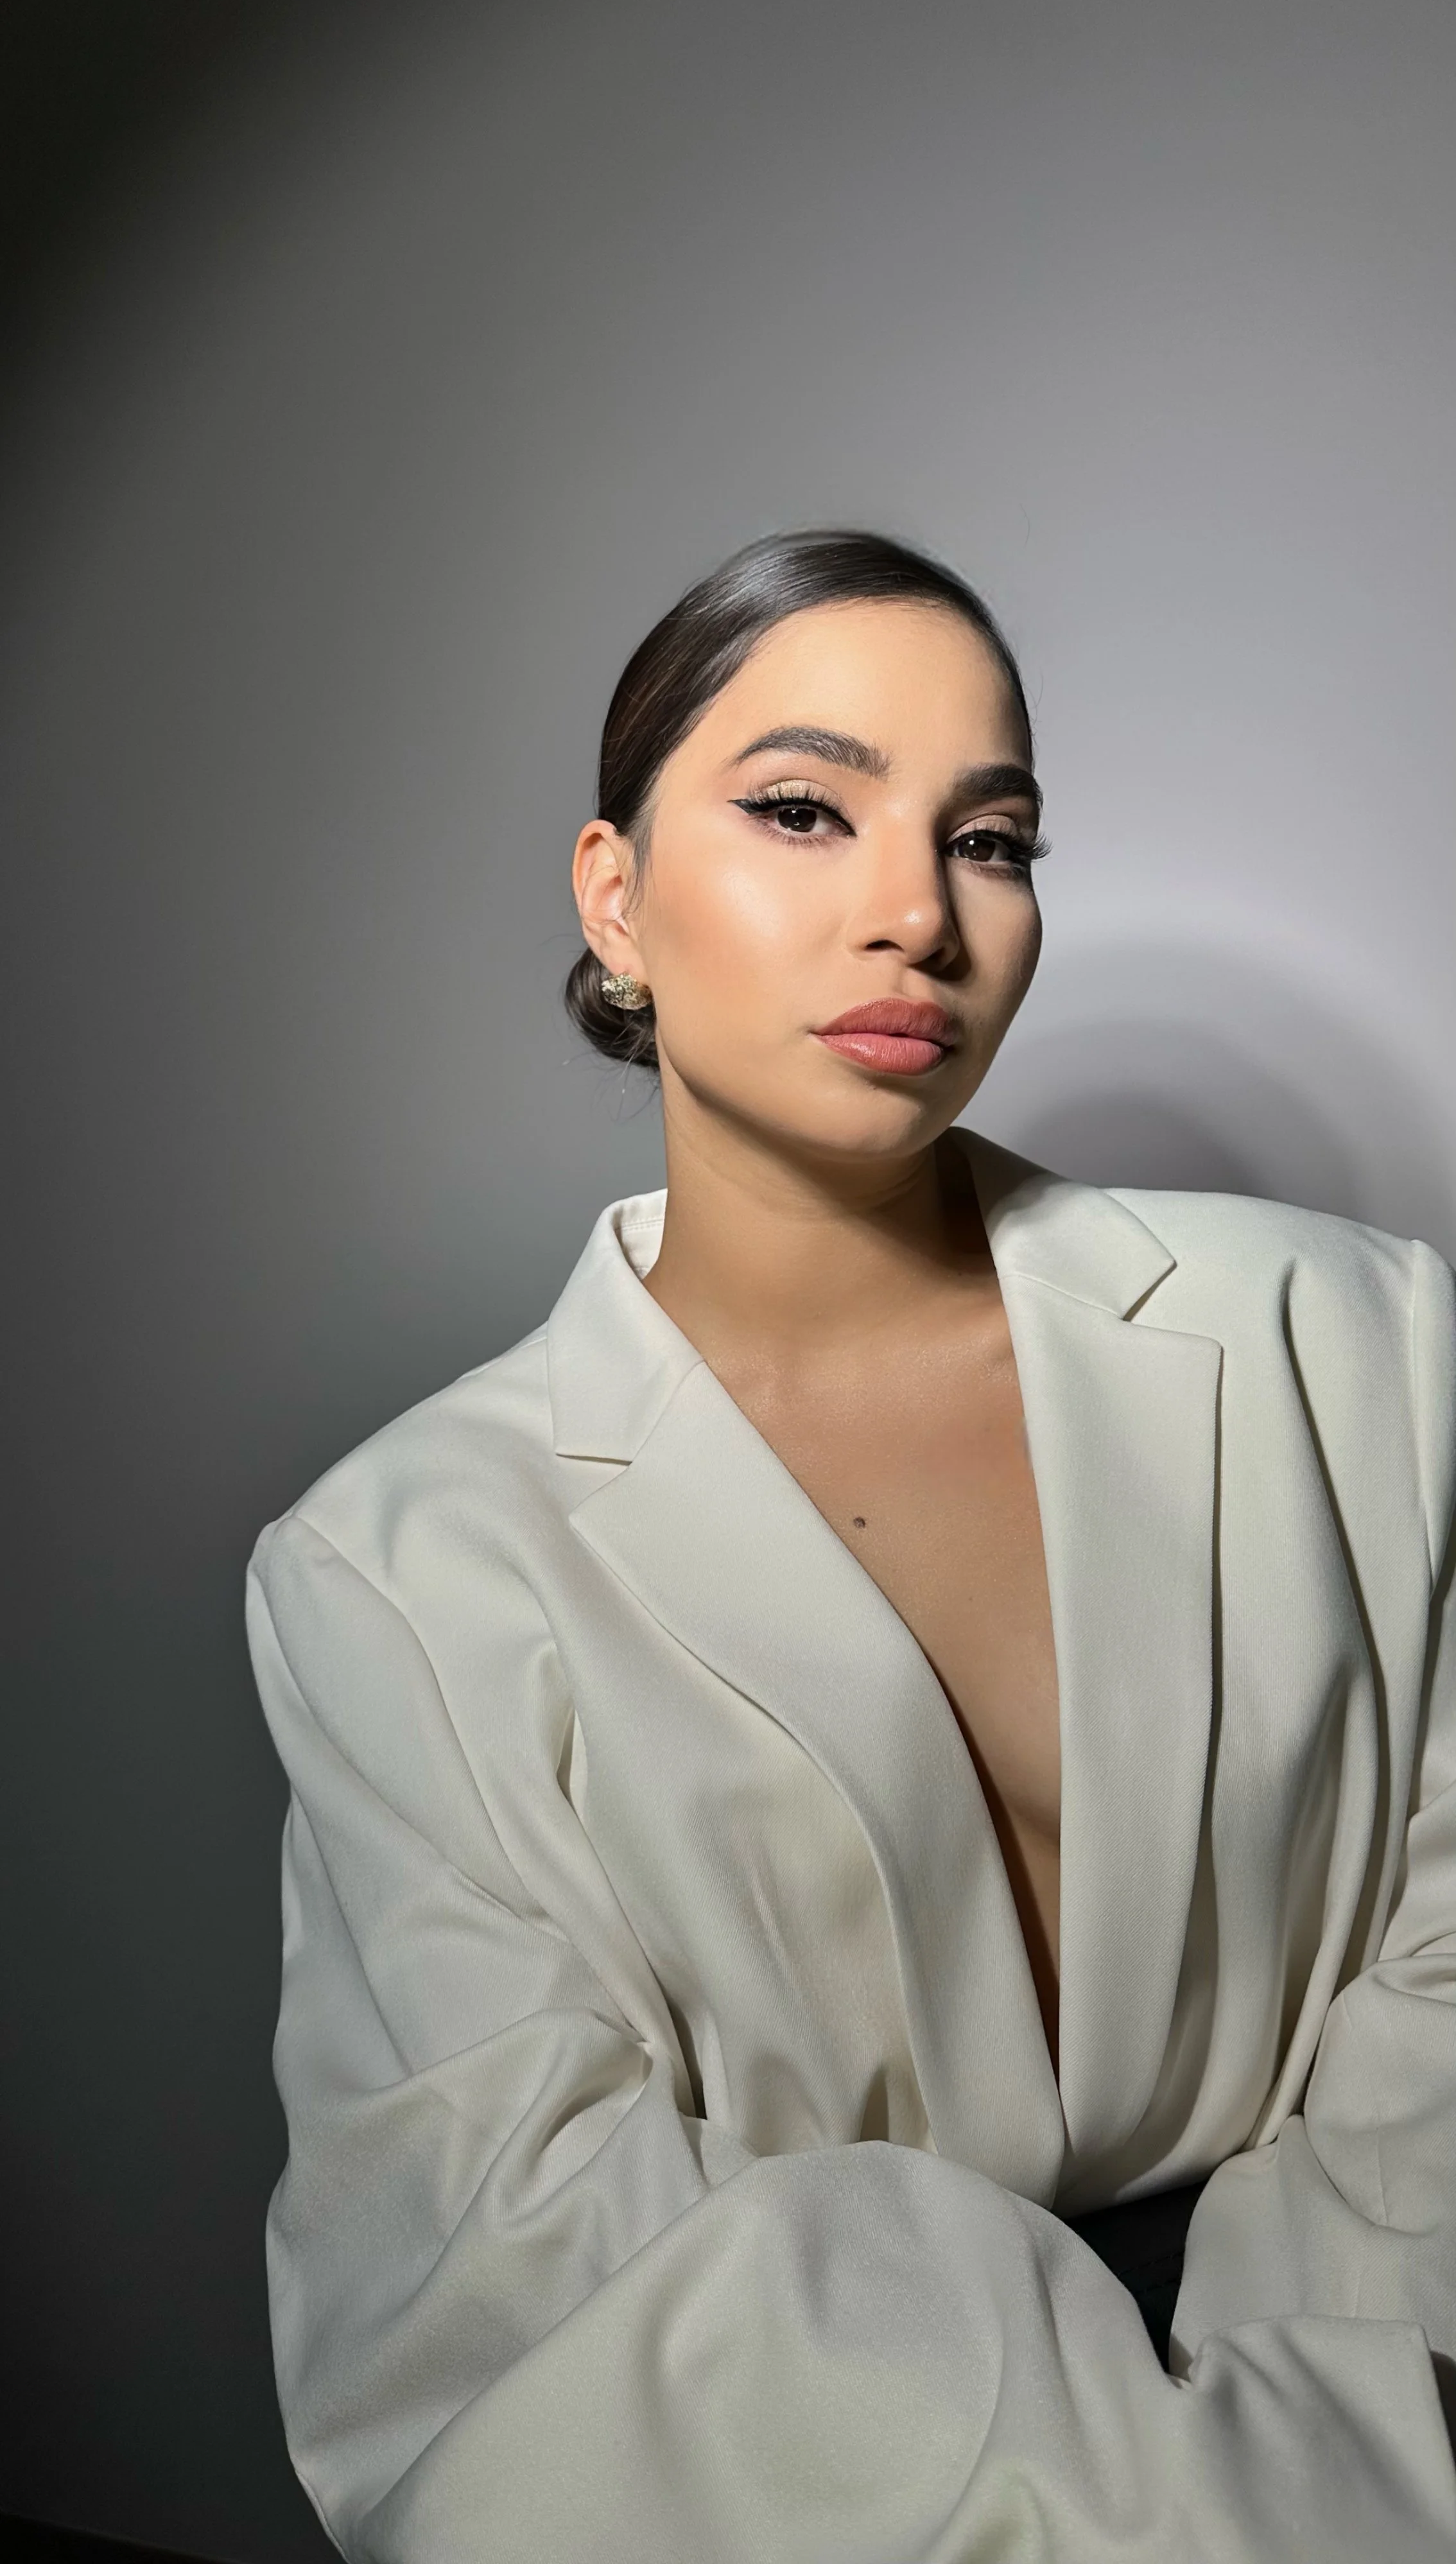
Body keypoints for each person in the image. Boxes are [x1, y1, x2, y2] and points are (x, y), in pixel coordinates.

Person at [246, 531, 1456, 2562]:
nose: (915, 912)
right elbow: (506, 2254)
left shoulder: (1362, 1338)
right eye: (802, 809)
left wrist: (1312, 2393)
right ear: (614, 899)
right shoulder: (396, 1565)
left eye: (991, 839)